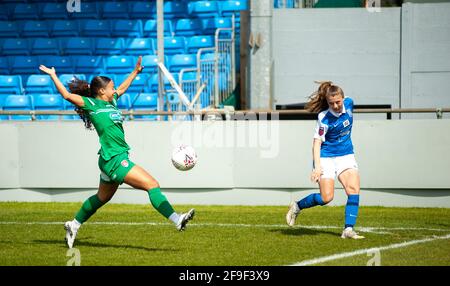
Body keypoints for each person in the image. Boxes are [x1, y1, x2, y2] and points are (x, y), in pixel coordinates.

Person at [39, 56, 195, 249]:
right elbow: (67, 96)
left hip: (111, 159)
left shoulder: (112, 101)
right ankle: (177, 219)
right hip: (113, 159)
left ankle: (74, 224)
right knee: (152, 185)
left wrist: (136, 72)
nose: (114, 90)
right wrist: (53, 75)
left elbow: (122, 88)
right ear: (101, 91)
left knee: (101, 198)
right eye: (111, 87)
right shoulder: (92, 104)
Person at [286, 81, 364, 239]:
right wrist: (317, 167)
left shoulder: (349, 103)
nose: (335, 106)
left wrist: (330, 87)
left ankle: (348, 230)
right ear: (327, 103)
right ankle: (297, 206)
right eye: (331, 103)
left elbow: (337, 93)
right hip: (326, 157)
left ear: (343, 98)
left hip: (346, 155)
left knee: (353, 190)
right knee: (326, 198)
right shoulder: (324, 117)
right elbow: (316, 143)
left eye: (338, 102)